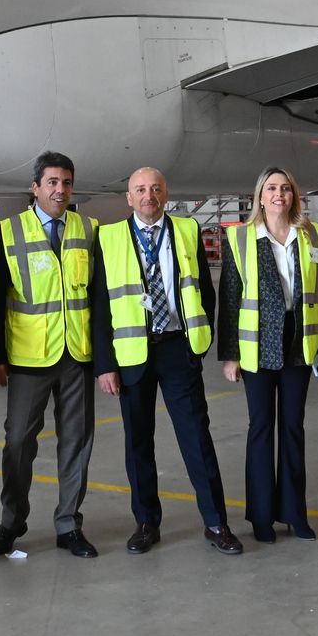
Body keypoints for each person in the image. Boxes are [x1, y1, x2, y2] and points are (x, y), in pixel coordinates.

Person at [92, 167, 243, 555]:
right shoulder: (107, 238)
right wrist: (105, 364)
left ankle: (215, 522)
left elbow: (203, 292)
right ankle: (145, 522)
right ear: (128, 197)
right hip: (132, 354)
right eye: (140, 190)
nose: (148, 196)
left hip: (178, 348)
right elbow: (100, 307)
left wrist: (198, 344)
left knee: (196, 437)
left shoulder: (187, 230)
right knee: (138, 442)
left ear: (166, 193)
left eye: (155, 189)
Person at [0, 152, 102, 558]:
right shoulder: (10, 230)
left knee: (76, 442)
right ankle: (11, 522)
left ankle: (69, 524)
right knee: (17, 441)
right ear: (35, 187)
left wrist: (103, 358)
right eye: (52, 182)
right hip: (28, 357)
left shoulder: (89, 229)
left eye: (66, 183)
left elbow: (99, 298)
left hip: (76, 356)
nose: (60, 190)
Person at [218, 166, 318, 544]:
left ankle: (294, 514)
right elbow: (230, 299)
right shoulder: (240, 238)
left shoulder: (311, 235)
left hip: (300, 342)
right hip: (257, 346)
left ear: (293, 195)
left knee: (293, 429)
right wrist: (230, 355)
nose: (279, 194)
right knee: (261, 429)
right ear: (260, 196)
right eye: (271, 188)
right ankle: (262, 518)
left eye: (285, 188)